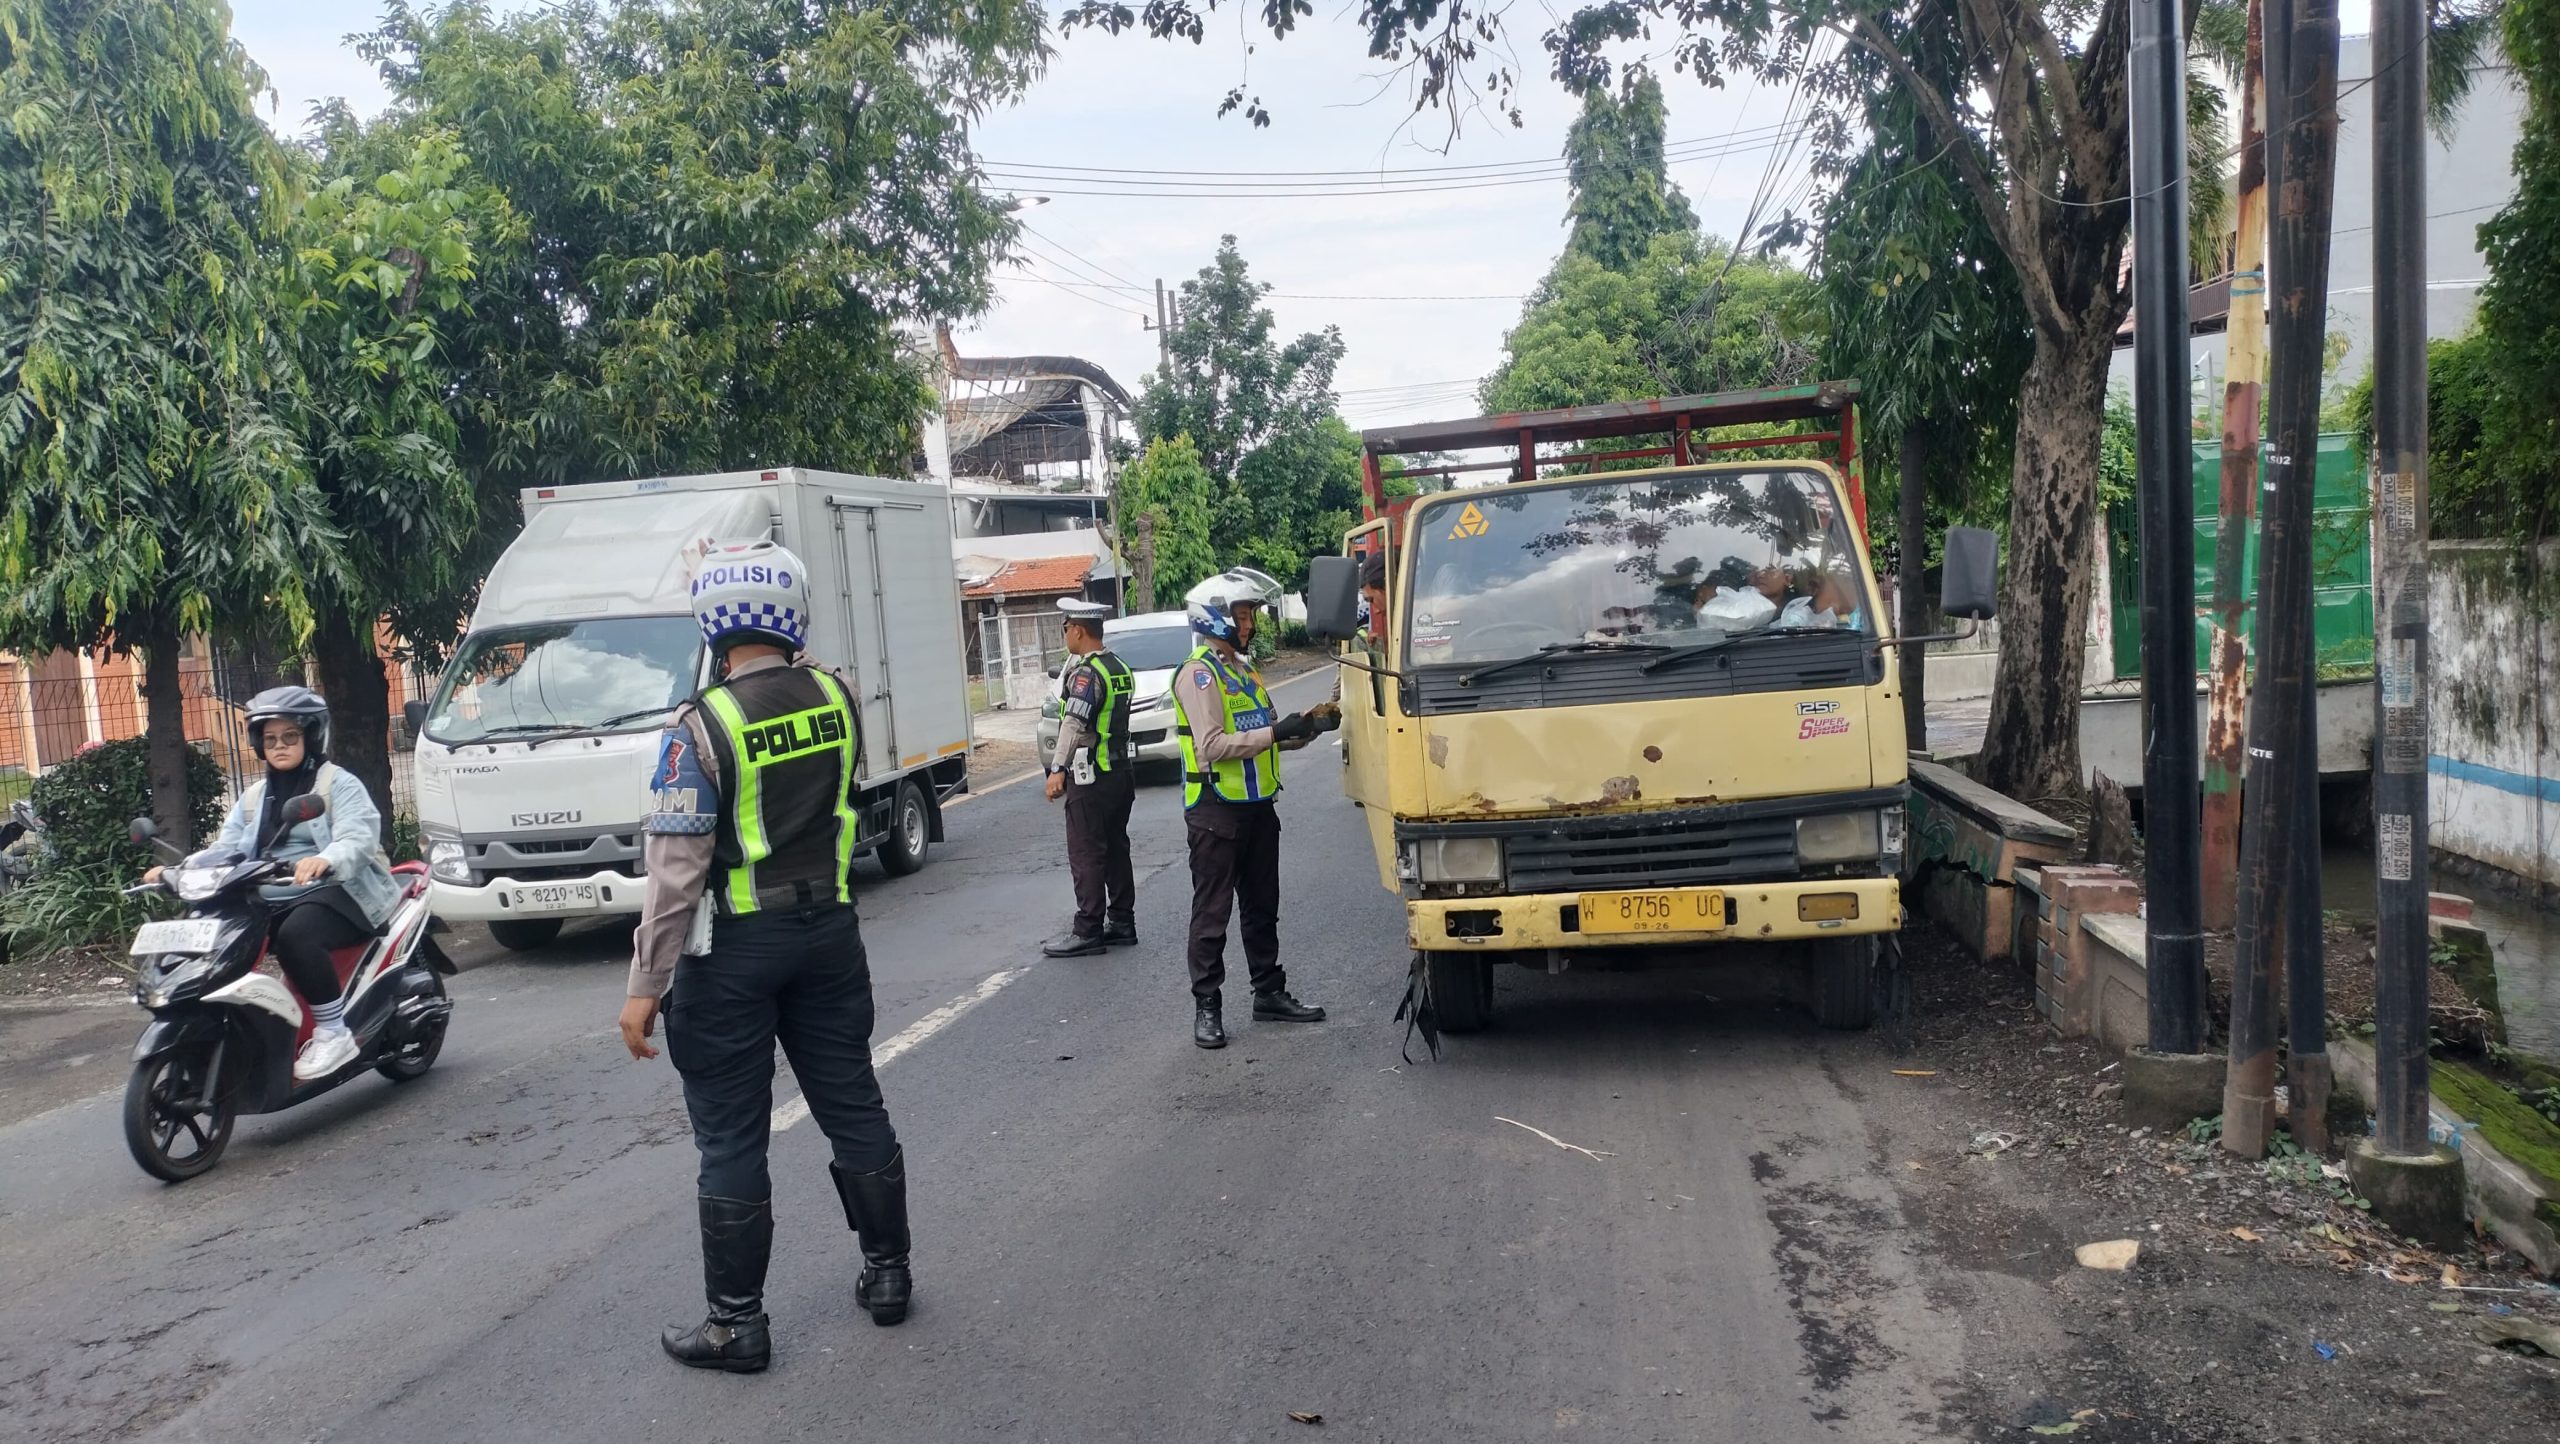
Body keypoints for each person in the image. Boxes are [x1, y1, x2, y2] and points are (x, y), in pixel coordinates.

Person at [616, 539, 909, 1373]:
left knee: (732, 1138)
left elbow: (676, 875)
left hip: (735, 955)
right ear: (794, 618)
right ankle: (889, 1274)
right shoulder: (838, 696)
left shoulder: (700, 728)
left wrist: (645, 984)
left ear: (712, 626)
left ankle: (736, 1325)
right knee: (853, 1103)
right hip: (830, 937)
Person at [151, 687, 395, 1082]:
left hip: (342, 889)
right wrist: (179, 870)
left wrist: (325, 859)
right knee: (219, 934)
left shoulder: (338, 784)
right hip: (271, 892)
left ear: (311, 737)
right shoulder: (254, 797)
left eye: (290, 736)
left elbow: (358, 837)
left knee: (295, 936)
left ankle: (333, 1032)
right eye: (270, 739)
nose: (279, 746)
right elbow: (227, 847)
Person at [1173, 566, 1336, 1049]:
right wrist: (1276, 732)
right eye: (1242, 615)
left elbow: (1267, 738)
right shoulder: (1199, 674)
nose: (1249, 624)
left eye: (1251, 615)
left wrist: (1306, 728)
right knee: (1213, 913)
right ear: (1216, 617)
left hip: (1259, 807)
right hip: (1216, 811)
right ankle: (1207, 1005)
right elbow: (1211, 746)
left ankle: (1269, 992)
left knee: (1263, 907)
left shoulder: (1243, 672)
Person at [1042, 597, 1138, 957]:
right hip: (1121, 774)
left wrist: (1057, 769)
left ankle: (1088, 929)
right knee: (1116, 848)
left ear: (1079, 631)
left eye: (1066, 628)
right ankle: (1123, 922)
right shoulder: (1119, 667)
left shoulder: (1087, 673)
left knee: (1086, 852)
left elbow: (1074, 724)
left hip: (1091, 778)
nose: (1065, 634)